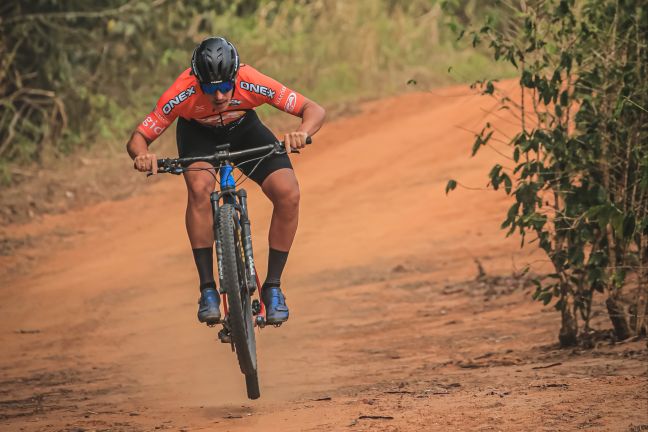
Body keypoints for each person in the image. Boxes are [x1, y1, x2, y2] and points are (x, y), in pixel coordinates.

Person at [126, 36, 325, 325]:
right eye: (209, 88)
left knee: (288, 193)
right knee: (199, 190)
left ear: (235, 75)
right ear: (197, 81)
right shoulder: (180, 93)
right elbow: (138, 138)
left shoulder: (251, 80)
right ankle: (208, 289)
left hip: (244, 129)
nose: (218, 96)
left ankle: (272, 288)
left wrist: (302, 131)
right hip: (198, 136)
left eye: (223, 87)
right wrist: (143, 155)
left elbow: (314, 109)